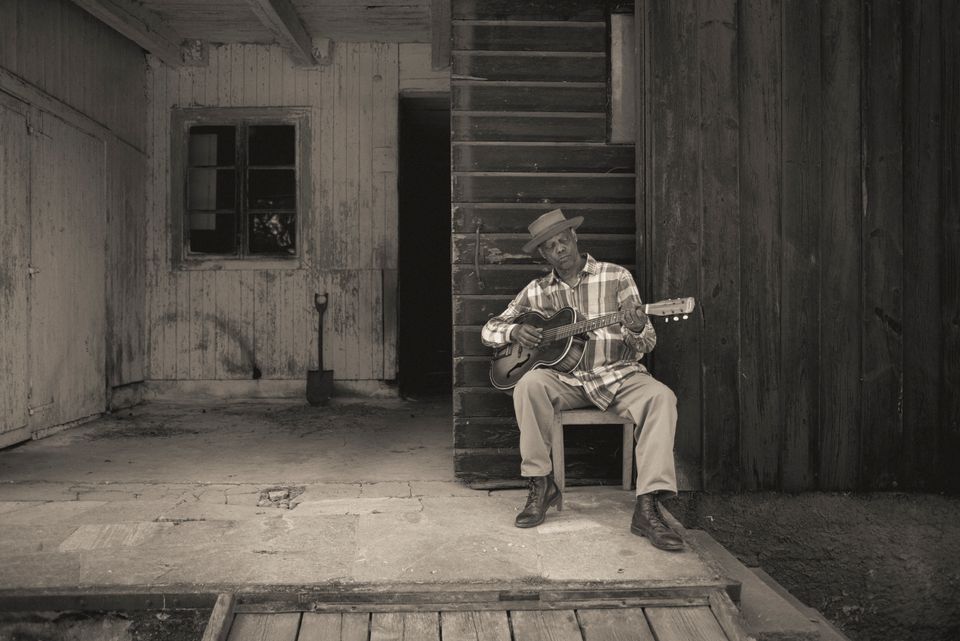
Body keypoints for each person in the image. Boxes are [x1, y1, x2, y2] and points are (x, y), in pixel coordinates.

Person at [481, 209, 683, 552]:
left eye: (564, 240)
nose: (560, 249)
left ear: (575, 239)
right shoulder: (536, 291)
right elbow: (490, 330)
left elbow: (646, 343)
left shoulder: (616, 277)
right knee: (528, 384)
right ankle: (541, 483)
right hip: (567, 380)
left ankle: (648, 506)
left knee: (661, 398)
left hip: (618, 374)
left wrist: (635, 325)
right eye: (550, 246)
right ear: (543, 254)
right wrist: (515, 330)